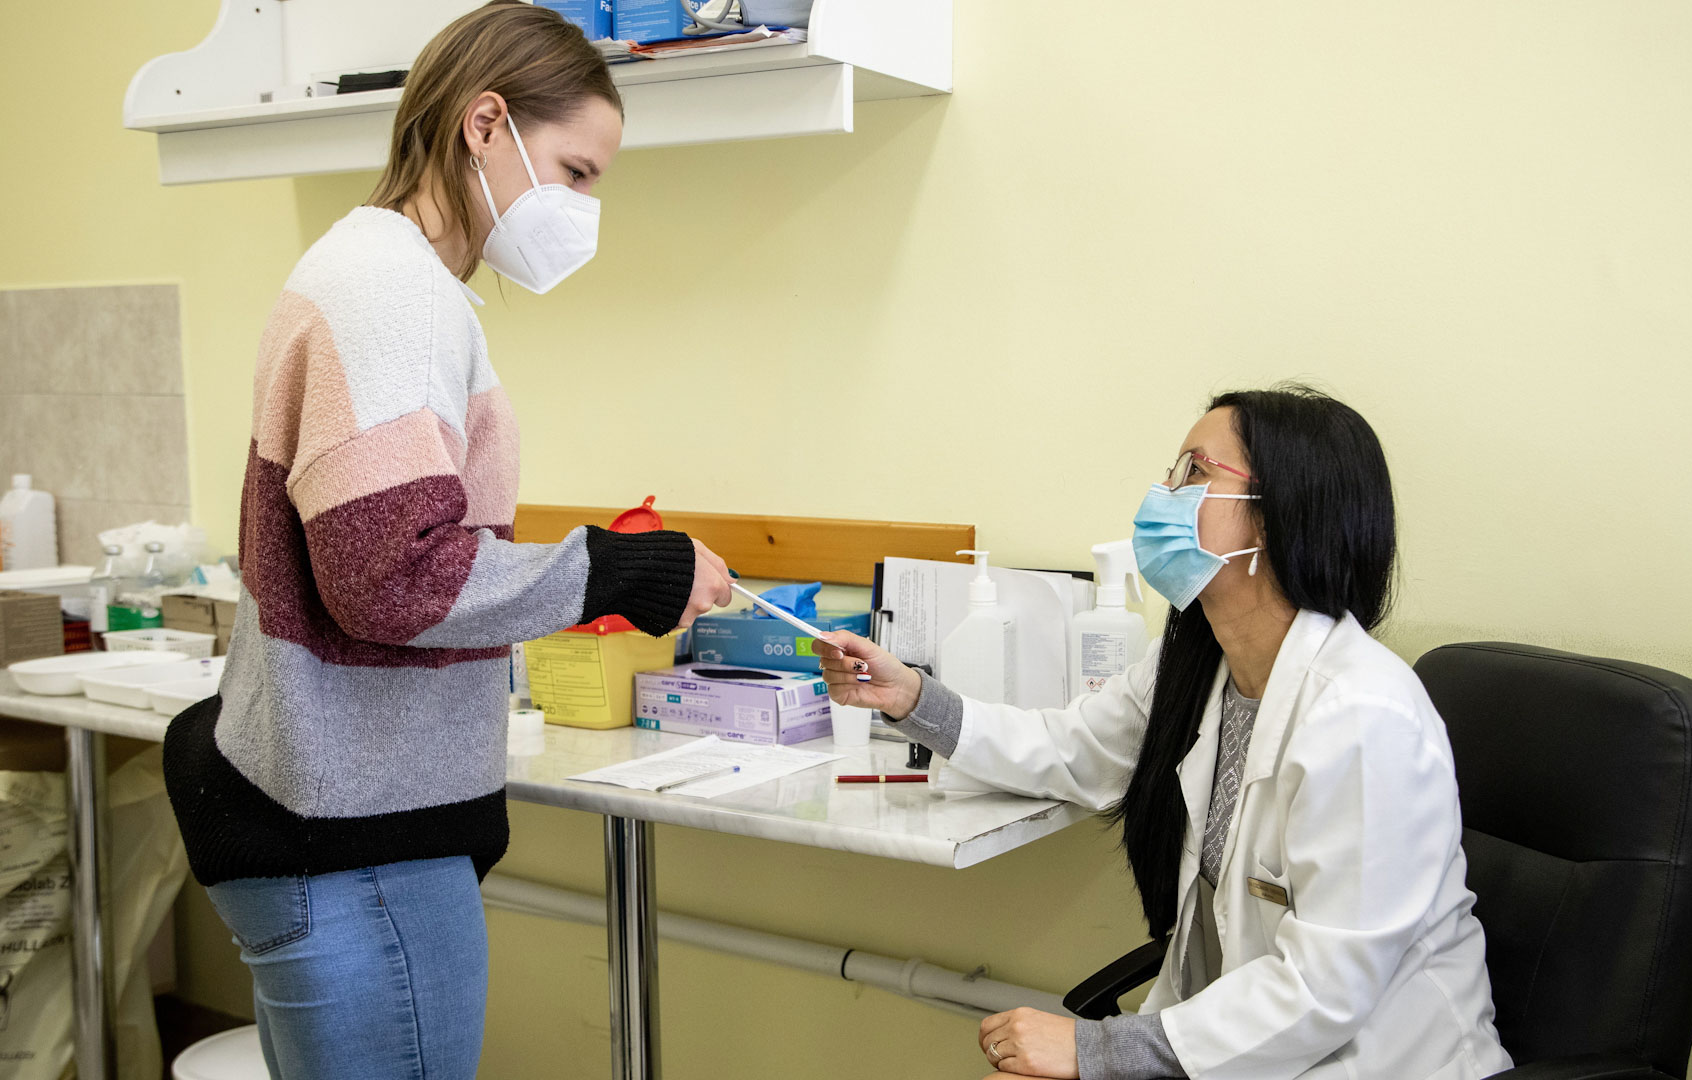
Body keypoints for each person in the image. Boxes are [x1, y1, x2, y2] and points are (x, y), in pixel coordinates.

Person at [160, 4, 733, 1076]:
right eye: (576, 172)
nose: (582, 208)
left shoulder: (379, 275)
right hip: (355, 840)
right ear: (485, 126)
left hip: (327, 810)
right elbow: (394, 576)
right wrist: (627, 568)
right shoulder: (388, 294)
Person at [817, 387, 1512, 1080]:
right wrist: (910, 698)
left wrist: (1097, 1049)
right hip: (1258, 1044)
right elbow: (1069, 749)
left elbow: (1326, 988)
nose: (1163, 494)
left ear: (1274, 517)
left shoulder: (1364, 715)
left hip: (1378, 1059)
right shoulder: (1198, 664)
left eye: (1194, 472)